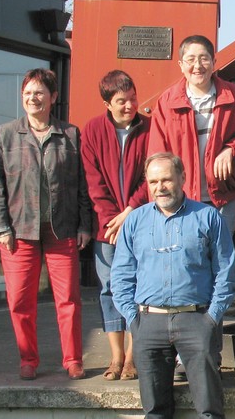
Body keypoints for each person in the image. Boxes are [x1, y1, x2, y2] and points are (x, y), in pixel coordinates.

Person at [111, 152, 235, 419]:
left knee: (209, 411)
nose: (160, 187)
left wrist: (211, 318)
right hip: (148, 324)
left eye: (167, 179)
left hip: (196, 320)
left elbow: (226, 272)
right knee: (155, 412)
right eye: (154, 181)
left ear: (182, 178)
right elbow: (121, 276)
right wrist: (134, 321)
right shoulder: (135, 221)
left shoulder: (208, 217)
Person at [0, 68, 92, 381]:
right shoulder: (8, 134)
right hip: (19, 230)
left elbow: (81, 185)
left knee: (69, 299)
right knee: (20, 300)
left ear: (53, 98)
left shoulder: (70, 134)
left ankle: (73, 359)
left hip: (61, 228)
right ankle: (28, 359)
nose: (32, 98)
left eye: (39, 93)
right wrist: (0, 227)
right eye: (27, 93)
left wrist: (85, 225)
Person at [148, 34, 235, 235]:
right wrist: (157, 202)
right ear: (181, 65)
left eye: (204, 58)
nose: (197, 65)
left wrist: (231, 149)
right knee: (184, 258)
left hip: (222, 197)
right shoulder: (167, 103)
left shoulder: (232, 97)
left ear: (213, 62)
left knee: (220, 258)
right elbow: (156, 156)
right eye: (191, 60)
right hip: (180, 198)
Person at [81, 70, 150, 381]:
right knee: (110, 289)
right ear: (106, 103)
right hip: (106, 227)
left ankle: (134, 357)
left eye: (133, 98)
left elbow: (151, 176)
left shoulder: (149, 128)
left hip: (141, 221)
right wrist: (112, 219)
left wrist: (131, 212)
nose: (129, 105)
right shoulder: (93, 130)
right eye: (121, 101)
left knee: (139, 289)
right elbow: (93, 180)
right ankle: (116, 356)